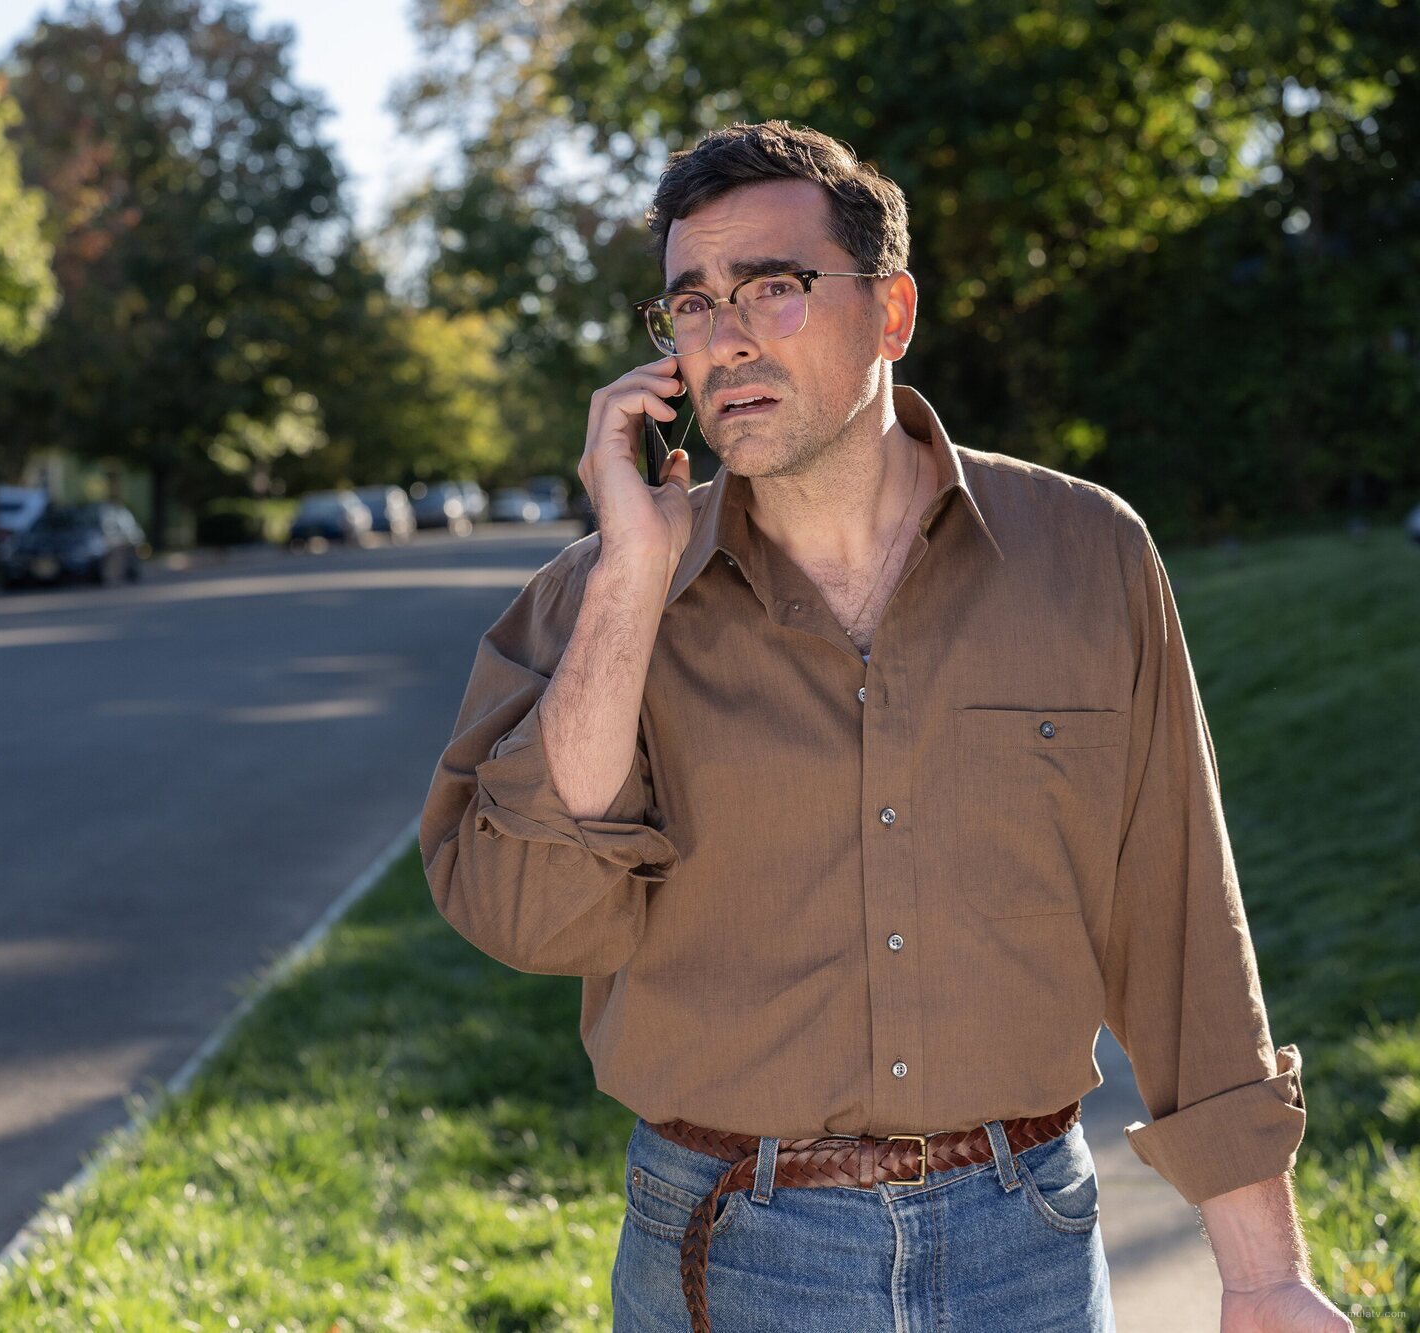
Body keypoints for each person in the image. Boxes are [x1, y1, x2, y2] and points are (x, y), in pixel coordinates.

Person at [416, 120, 1351, 1332]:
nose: (726, 335)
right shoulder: (596, 598)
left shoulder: (1086, 555)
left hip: (1027, 1242)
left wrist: (1262, 1274)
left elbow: (1174, 919)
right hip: (726, 1246)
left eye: (772, 288)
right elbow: (530, 915)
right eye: (689, 304)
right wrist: (631, 584)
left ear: (891, 312)